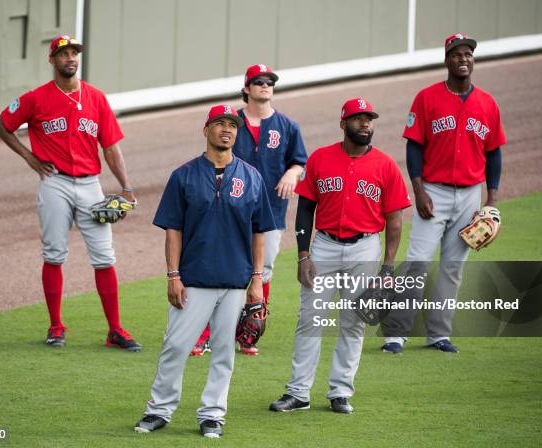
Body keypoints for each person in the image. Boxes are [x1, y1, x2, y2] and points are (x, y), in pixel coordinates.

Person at [134, 105, 276, 438]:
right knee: (175, 347)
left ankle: (213, 414)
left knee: (224, 352)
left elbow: (260, 232)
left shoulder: (252, 177)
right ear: (206, 130)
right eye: (219, 124)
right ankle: (159, 410)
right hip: (193, 279)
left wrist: (257, 280)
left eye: (232, 125)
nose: (227, 129)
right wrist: (173, 275)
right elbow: (173, 229)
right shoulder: (183, 175)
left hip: (235, 281)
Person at [0, 35, 141, 351]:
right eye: (63, 53)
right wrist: (28, 156)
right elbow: (2, 124)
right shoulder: (36, 98)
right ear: (52, 60)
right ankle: (56, 325)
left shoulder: (96, 98)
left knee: (104, 258)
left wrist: (126, 188)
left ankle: (115, 330)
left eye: (74, 52)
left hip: (91, 185)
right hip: (55, 183)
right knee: (54, 254)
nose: (70, 58)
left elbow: (111, 148)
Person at [269, 98, 411, 413]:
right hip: (324, 246)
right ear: (344, 123)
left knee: (353, 322)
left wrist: (387, 267)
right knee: (309, 320)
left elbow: (395, 220)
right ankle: (298, 393)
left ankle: (340, 391)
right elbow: (305, 208)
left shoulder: (385, 165)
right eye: (358, 119)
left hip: (365, 247)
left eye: (369, 119)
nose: (365, 124)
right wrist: (303, 254)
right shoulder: (321, 158)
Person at [380, 33, 506, 354]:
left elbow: (493, 154)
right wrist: (419, 190)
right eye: (457, 54)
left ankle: (438, 334)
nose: (464, 58)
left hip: (469, 196)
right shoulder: (427, 98)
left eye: (468, 54)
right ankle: (396, 333)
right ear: (446, 60)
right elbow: (414, 147)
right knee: (418, 262)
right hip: (432, 193)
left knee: (453, 267)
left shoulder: (488, 103)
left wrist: (491, 201)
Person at [190, 64, 308, 357]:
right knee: (218, 268)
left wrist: (293, 173)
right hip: (227, 212)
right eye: (258, 81)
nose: (265, 85)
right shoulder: (231, 122)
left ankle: (248, 334)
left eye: (269, 81)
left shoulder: (288, 126)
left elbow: (299, 161)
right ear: (247, 88)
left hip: (271, 212)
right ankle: (204, 334)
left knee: (262, 272)